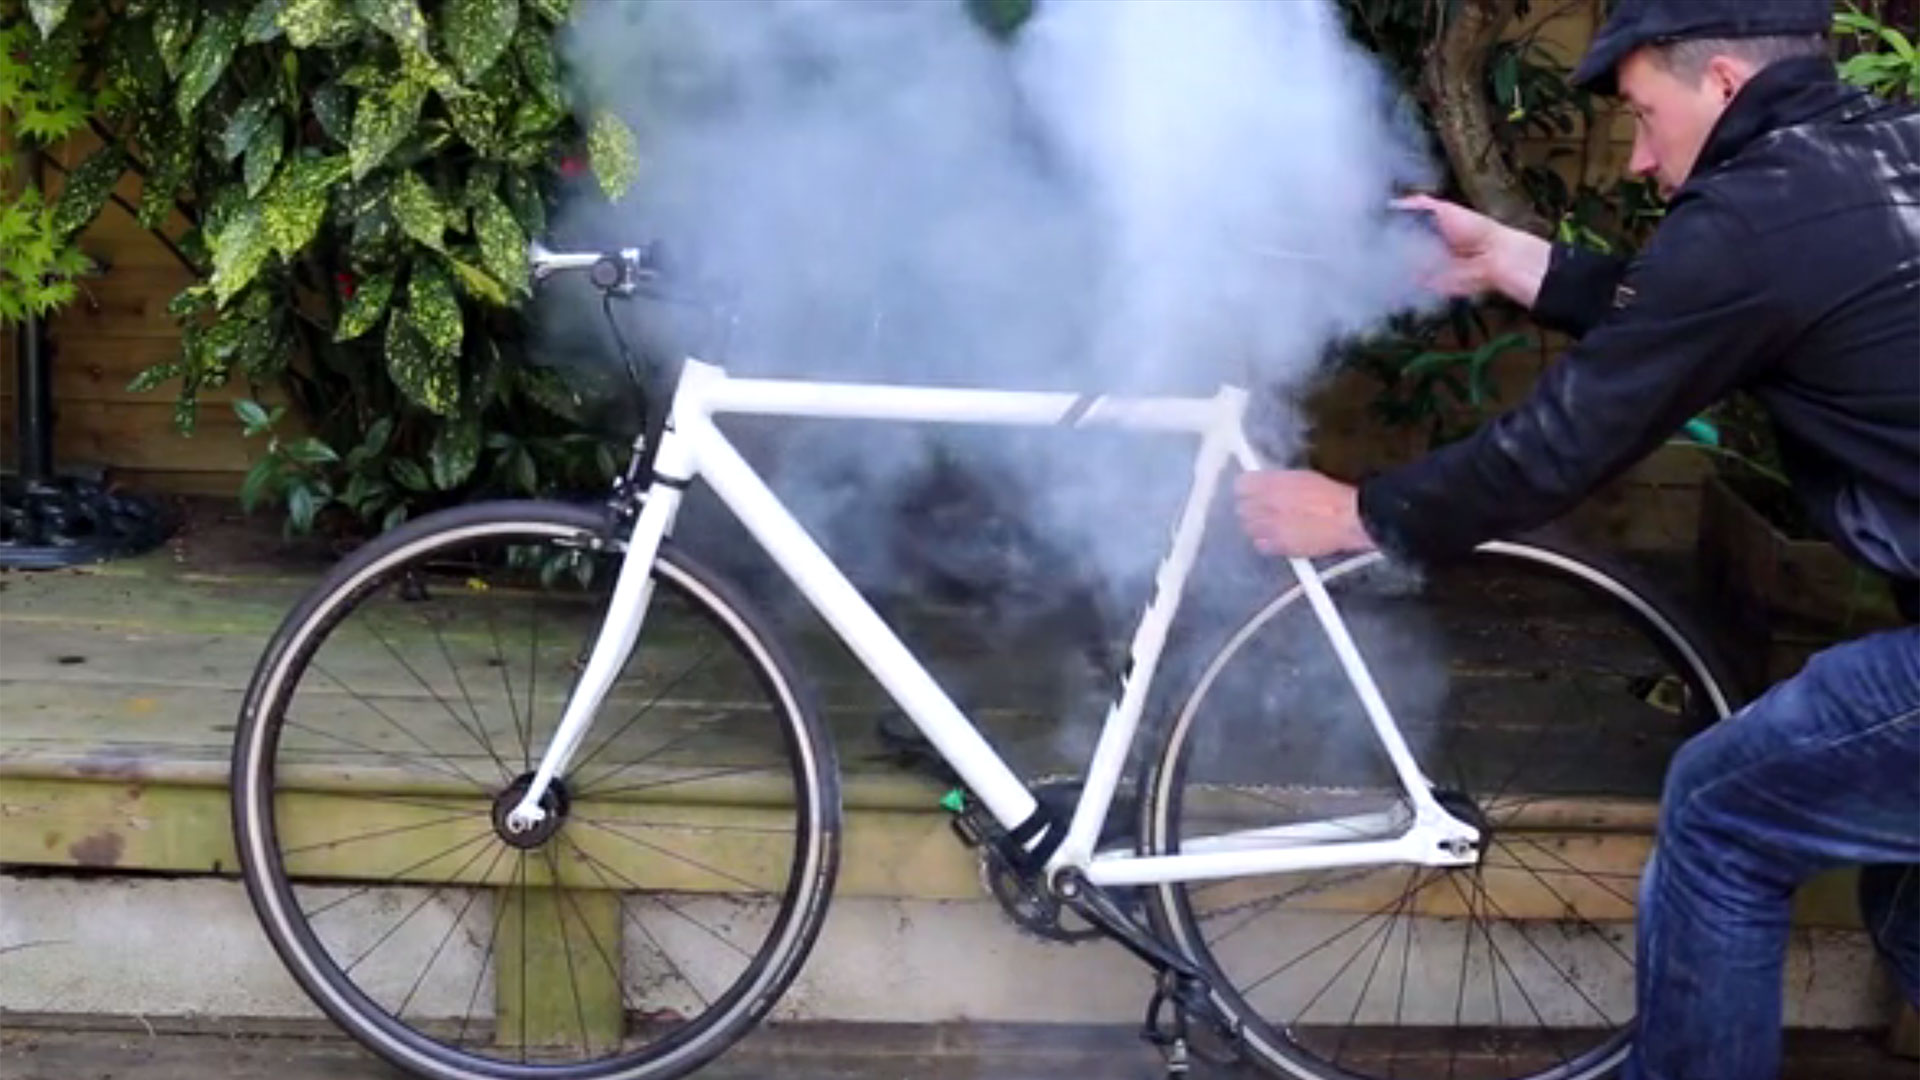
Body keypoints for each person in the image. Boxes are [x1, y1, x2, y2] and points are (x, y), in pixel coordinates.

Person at [1233, 1, 1920, 1076]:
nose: (1639, 158)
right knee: (1906, 890)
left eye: (1644, 113)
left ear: (1724, 82)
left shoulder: (1759, 212)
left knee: (1724, 815)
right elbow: (1714, 305)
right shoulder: (1879, 152)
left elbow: (1563, 443)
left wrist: (1366, 513)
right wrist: (1526, 264)